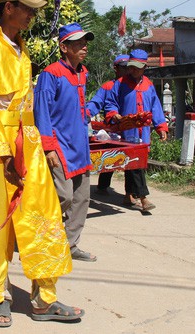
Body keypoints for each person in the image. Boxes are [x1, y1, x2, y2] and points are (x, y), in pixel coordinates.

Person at [0, 0, 83, 327]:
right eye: (27, 7)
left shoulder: (22, 49)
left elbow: (26, 105)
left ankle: (44, 299)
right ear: (8, 9)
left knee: (43, 217)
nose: (32, 14)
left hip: (27, 145)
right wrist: (3, 158)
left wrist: (37, 146)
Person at [34, 23, 96, 263]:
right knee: (63, 197)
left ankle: (69, 246)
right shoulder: (51, 73)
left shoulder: (83, 72)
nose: (84, 47)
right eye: (78, 43)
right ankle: (41, 240)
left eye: (85, 42)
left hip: (79, 145)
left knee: (82, 199)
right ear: (64, 47)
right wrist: (48, 146)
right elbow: (43, 112)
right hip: (59, 146)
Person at [104, 49, 168, 212]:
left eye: (137, 67)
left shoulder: (149, 85)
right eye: (131, 67)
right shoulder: (120, 84)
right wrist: (114, 114)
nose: (133, 70)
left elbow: (156, 107)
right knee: (134, 163)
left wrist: (161, 127)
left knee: (132, 164)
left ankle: (127, 194)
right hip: (126, 131)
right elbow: (111, 103)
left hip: (143, 131)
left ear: (144, 67)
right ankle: (144, 198)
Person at [87, 54, 129, 195]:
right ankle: (103, 186)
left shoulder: (134, 86)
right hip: (112, 129)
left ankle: (131, 193)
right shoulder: (108, 87)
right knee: (109, 157)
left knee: (131, 161)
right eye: (123, 67)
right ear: (116, 68)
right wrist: (86, 113)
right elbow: (96, 102)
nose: (127, 70)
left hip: (130, 129)